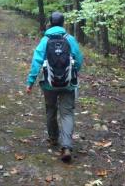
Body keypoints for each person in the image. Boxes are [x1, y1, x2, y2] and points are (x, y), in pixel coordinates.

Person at [25, 11, 84, 162]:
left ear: (50, 23)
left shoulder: (45, 40)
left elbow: (36, 62)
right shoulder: (70, 39)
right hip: (68, 84)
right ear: (63, 23)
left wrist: (30, 82)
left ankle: (53, 138)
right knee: (67, 114)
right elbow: (78, 60)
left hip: (48, 84)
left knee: (51, 110)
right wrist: (72, 72)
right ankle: (66, 146)